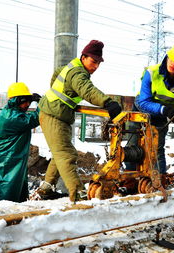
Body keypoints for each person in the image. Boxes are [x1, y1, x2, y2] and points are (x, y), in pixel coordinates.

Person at [34, 40, 122, 202]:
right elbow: (87, 90)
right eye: (93, 61)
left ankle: (46, 189)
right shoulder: (77, 73)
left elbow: (56, 74)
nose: (96, 66)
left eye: (98, 63)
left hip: (58, 114)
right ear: (83, 57)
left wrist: (58, 95)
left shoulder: (70, 68)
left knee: (61, 154)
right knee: (66, 155)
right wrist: (107, 102)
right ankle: (79, 195)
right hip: (53, 115)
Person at [127, 42, 174, 179]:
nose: (173, 64)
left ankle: (160, 179)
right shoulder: (151, 73)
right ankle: (129, 179)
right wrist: (167, 111)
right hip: (140, 111)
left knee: (158, 148)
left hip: (161, 113)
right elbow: (144, 101)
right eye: (171, 59)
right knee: (133, 147)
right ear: (167, 56)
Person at [0, 82, 41, 202]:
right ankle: (3, 215)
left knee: (13, 187)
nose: (27, 105)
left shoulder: (13, 112)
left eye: (29, 101)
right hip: (5, 160)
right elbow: (34, 119)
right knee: (6, 189)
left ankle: (14, 207)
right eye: (25, 101)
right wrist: (41, 105)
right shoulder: (12, 117)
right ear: (17, 101)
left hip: (9, 157)